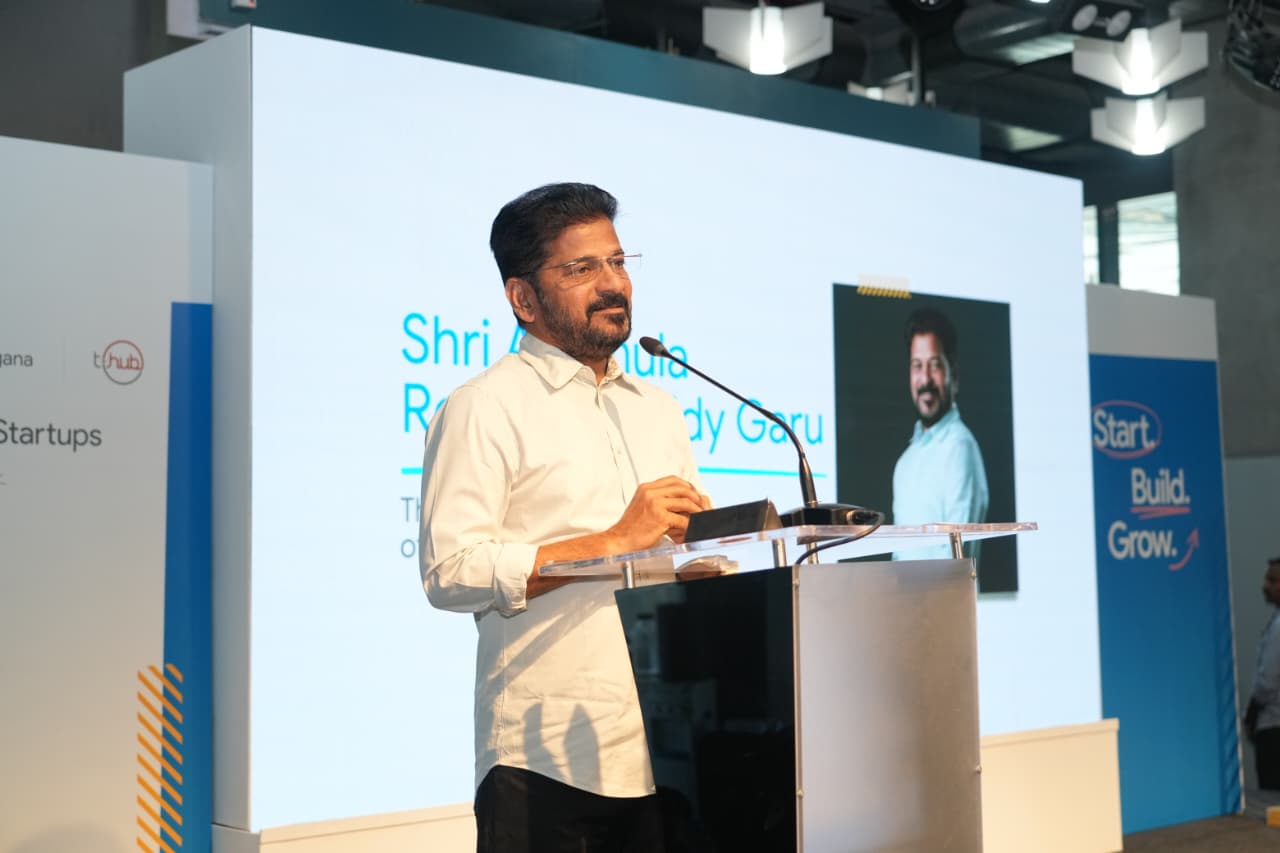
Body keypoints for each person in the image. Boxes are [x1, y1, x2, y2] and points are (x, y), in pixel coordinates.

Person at [417, 182, 710, 852]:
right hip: (544, 762)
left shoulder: (657, 406)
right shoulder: (483, 406)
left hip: (663, 758)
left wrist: (712, 551)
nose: (612, 283)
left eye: (618, 261)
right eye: (581, 268)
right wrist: (612, 541)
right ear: (522, 298)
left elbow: (679, 555)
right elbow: (450, 571)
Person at [891, 307, 989, 560]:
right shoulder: (905, 462)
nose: (925, 379)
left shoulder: (959, 446)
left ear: (952, 375)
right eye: (917, 366)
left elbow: (957, 560)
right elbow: (899, 559)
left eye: (934, 365)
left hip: (948, 589)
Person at [1245, 557, 1280, 789]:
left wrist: (1251, 715)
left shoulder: (1278, 627)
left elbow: (1267, 681)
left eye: (1273, 580)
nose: (1265, 586)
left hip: (1274, 728)